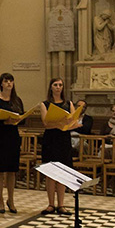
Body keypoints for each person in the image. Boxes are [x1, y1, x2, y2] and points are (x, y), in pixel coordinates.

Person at [39, 78, 80, 215]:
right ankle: (51, 204)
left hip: (63, 139)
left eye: (60, 85)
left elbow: (73, 122)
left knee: (62, 172)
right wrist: (60, 123)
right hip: (51, 139)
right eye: (55, 85)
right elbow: (46, 123)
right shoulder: (45, 104)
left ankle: (61, 204)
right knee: (50, 172)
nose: (58, 87)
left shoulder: (68, 103)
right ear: (51, 87)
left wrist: (66, 124)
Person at [0, 73, 23, 214]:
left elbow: (23, 117)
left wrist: (17, 120)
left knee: (11, 170)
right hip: (0, 136)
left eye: (11, 81)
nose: (9, 83)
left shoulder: (17, 100)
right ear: (1, 83)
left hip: (13, 137)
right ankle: (0, 200)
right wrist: (5, 121)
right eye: (6, 81)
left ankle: (11, 199)